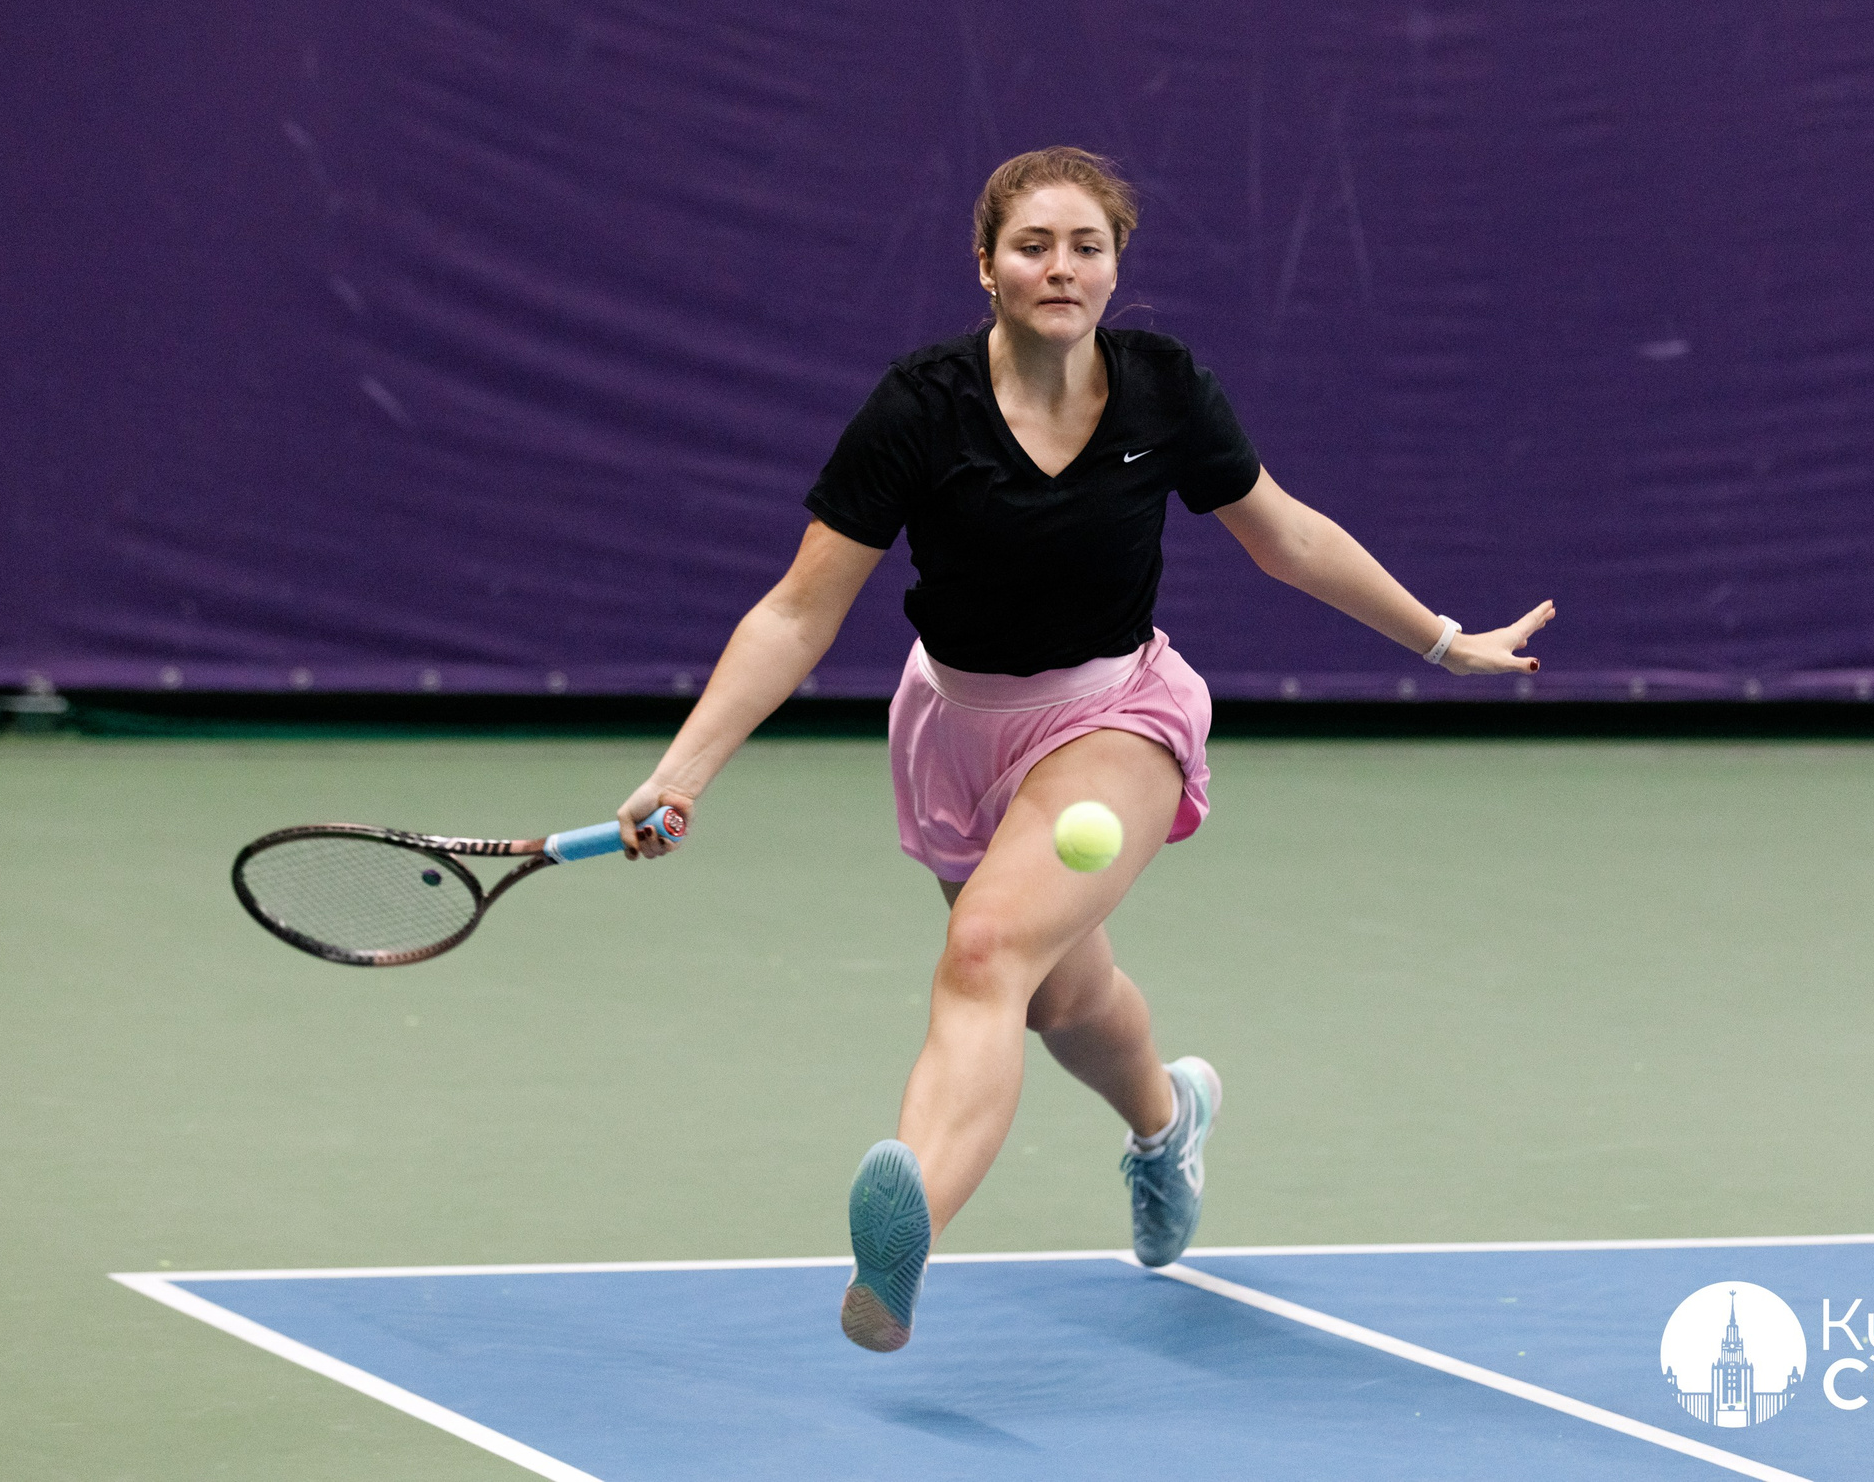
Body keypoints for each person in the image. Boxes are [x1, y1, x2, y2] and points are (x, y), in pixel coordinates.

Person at [612, 146, 1553, 1352]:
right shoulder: (920, 407)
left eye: (1086, 247)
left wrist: (1440, 641)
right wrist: (684, 770)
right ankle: (1169, 1124)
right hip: (954, 725)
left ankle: (901, 1245)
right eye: (1033, 246)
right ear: (988, 267)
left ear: (1116, 268)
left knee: (988, 950)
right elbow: (799, 609)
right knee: (1063, 995)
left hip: (1114, 714)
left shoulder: (1161, 390)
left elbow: (1287, 538)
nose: (1060, 267)